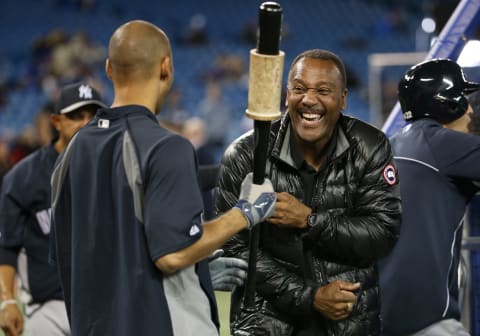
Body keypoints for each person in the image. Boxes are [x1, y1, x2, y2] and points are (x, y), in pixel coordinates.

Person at [49, 20, 276, 336]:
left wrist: (199, 271)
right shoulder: (167, 146)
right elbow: (172, 254)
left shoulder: (69, 155)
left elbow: (101, 254)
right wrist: (244, 214)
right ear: (166, 67)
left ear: (109, 70)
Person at [214, 49, 402, 335]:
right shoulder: (246, 154)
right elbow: (235, 249)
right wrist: (311, 297)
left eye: (323, 90)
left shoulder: (370, 146)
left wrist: (309, 221)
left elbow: (383, 234)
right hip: (266, 324)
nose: (309, 99)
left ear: (343, 99)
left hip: (349, 323)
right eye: (299, 89)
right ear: (287, 94)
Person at [378, 58, 480, 336]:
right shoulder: (441, 144)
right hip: (426, 324)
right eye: (466, 99)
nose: (471, 109)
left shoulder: (390, 145)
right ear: (449, 102)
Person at [0, 81, 106, 336]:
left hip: (105, 302)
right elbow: (6, 247)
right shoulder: (24, 177)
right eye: (76, 116)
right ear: (57, 122)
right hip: (48, 307)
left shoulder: (115, 168)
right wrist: (7, 301)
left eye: (93, 116)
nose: (86, 122)